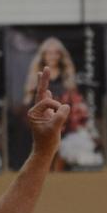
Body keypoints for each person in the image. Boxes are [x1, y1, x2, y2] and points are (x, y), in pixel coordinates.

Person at [23, 37, 90, 173]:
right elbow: (28, 103)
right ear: (43, 56)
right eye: (49, 53)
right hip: (42, 124)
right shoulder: (37, 77)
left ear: (61, 55)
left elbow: (76, 102)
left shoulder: (68, 77)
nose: (52, 56)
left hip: (65, 125)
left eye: (56, 53)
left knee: (60, 161)